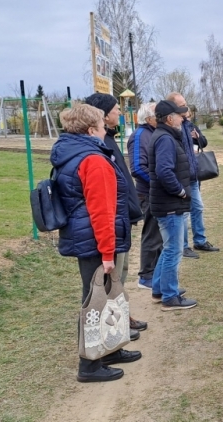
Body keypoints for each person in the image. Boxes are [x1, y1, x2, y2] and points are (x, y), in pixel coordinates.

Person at [50, 104, 142, 383]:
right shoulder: (93, 160)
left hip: (85, 237)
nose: (106, 131)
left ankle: (108, 350)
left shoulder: (72, 153)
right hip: (94, 240)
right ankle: (89, 365)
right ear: (91, 130)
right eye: (102, 126)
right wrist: (107, 252)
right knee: (94, 301)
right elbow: (102, 212)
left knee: (103, 298)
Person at [85, 93, 147, 334]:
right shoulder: (99, 146)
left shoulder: (109, 140)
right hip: (112, 220)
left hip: (122, 218)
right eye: (115, 109)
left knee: (121, 272)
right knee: (112, 276)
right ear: (102, 115)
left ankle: (122, 315)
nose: (120, 112)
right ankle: (114, 328)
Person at [149, 99, 197, 311]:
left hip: (167, 203)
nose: (183, 118)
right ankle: (170, 296)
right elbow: (164, 171)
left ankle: (159, 289)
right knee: (174, 251)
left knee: (169, 248)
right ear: (169, 119)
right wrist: (180, 192)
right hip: (170, 204)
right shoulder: (165, 139)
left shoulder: (165, 136)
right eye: (179, 115)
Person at [165, 92, 219, 259]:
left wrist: (197, 137)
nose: (186, 107)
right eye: (182, 105)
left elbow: (202, 142)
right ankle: (184, 246)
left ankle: (200, 240)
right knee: (184, 212)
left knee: (198, 208)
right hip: (181, 177)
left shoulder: (189, 125)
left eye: (185, 104)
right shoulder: (172, 128)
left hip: (193, 176)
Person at [127, 102, 162, 289]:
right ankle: (146, 276)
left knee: (159, 234)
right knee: (151, 233)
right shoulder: (140, 136)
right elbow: (138, 168)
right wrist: (158, 183)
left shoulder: (153, 133)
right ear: (149, 119)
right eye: (158, 115)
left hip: (155, 192)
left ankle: (156, 272)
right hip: (147, 193)